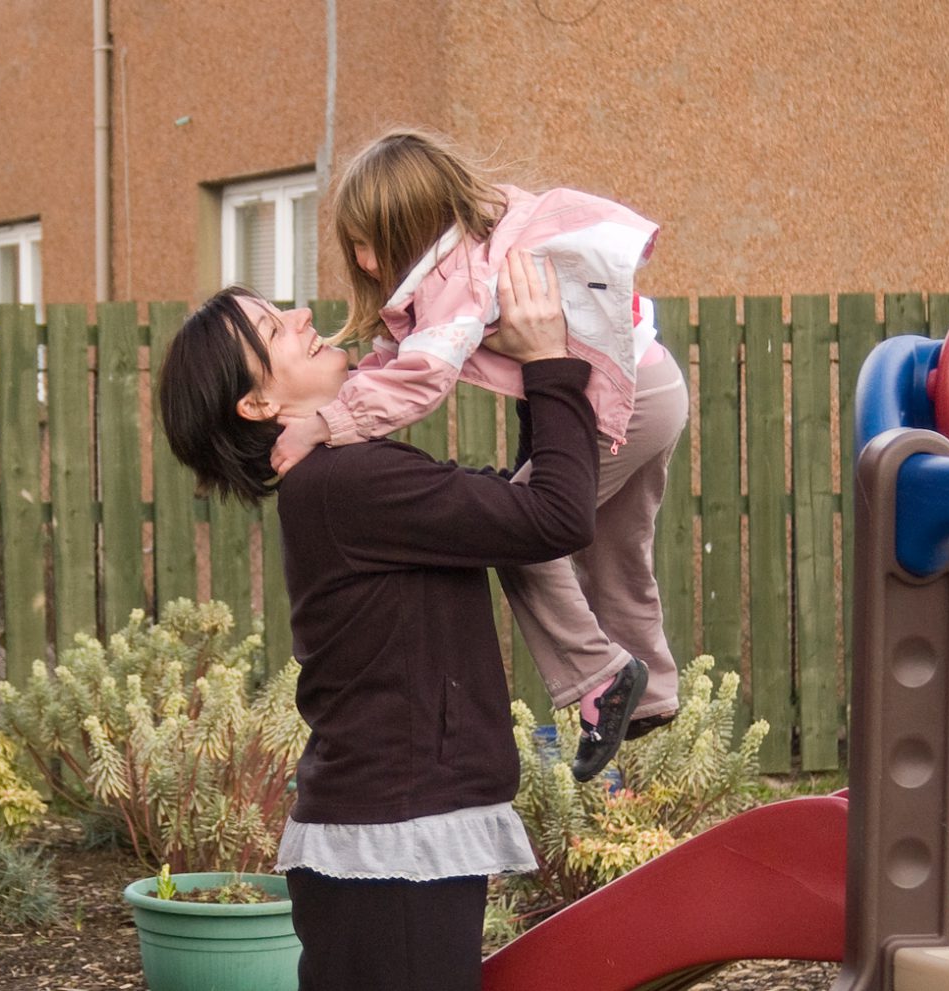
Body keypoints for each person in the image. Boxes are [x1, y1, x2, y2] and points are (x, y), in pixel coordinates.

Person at [157, 249, 596, 991]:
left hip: (395, 836)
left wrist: (532, 374)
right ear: (258, 405)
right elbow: (555, 514)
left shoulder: (344, 477)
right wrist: (548, 361)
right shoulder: (348, 482)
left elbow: (519, 512)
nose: (302, 316)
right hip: (395, 841)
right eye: (273, 328)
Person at [271, 128, 688, 781]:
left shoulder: (456, 279)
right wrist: (348, 402)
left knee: (528, 538)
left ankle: (599, 677)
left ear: (383, 243)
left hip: (623, 401)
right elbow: (397, 362)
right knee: (616, 549)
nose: (355, 256)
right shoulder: (480, 242)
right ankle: (652, 693)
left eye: (359, 242)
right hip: (648, 383)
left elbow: (423, 373)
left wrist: (325, 422)